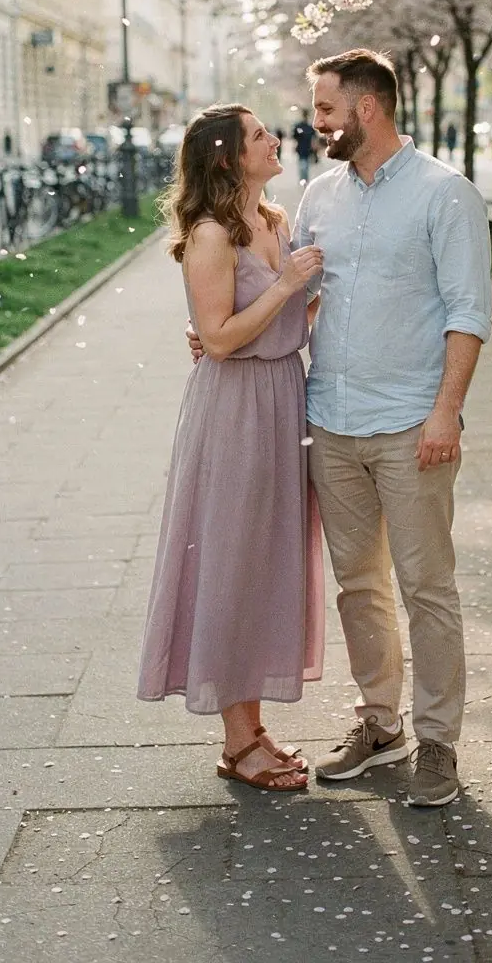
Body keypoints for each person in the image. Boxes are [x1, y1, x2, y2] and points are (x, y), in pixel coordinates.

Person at [190, 50, 492, 806]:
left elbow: (468, 312)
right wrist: (219, 333)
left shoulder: (443, 194)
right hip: (328, 419)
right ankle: (380, 723)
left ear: (365, 110)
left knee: (427, 587)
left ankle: (439, 744)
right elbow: (294, 296)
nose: (313, 122)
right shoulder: (320, 196)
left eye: (324, 109)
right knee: (360, 588)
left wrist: (447, 411)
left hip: (410, 423)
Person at [138, 103, 325, 793]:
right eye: (258, 136)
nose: (275, 139)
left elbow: (287, 318)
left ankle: (252, 731)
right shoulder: (212, 234)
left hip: (281, 398)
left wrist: (309, 298)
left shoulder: (276, 222)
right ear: (226, 158)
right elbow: (217, 339)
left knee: (265, 562)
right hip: (235, 410)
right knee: (232, 561)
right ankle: (237, 741)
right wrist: (285, 286)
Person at [292, 108, 318, 186]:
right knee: (304, 166)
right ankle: (304, 180)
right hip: (302, 149)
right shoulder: (302, 127)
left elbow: (314, 139)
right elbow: (295, 137)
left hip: (306, 149)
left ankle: (304, 180)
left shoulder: (306, 127)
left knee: (304, 166)